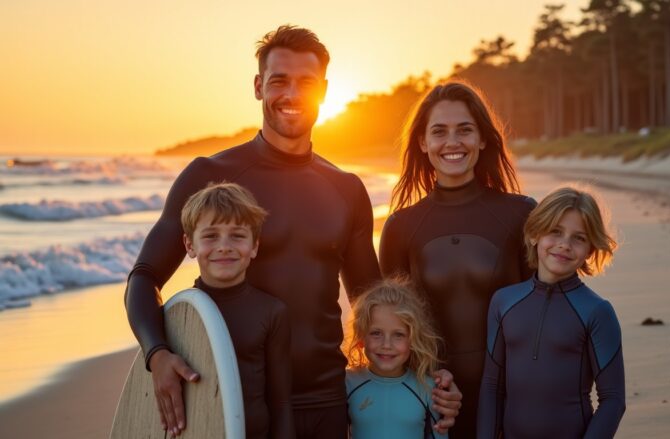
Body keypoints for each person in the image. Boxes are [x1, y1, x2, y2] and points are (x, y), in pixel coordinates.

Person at [124, 25, 458, 438]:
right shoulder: (210, 176)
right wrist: (156, 354)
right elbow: (144, 277)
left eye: (306, 82)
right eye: (279, 80)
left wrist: (430, 375)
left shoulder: (345, 189)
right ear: (258, 86)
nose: (292, 93)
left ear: (324, 91)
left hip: (326, 398)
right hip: (233, 400)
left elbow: (372, 301)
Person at [379, 80, 535, 437]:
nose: (452, 142)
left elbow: (544, 310)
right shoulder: (401, 227)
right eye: (439, 132)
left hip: (514, 395)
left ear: (482, 138)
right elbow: (392, 327)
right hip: (436, 399)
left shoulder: (520, 214)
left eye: (464, 130)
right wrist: (430, 381)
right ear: (423, 143)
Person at [478, 186, 626, 438]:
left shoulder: (597, 311)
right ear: (535, 234)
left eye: (578, 238)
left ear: (590, 248)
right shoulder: (504, 302)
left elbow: (613, 400)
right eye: (555, 232)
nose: (564, 245)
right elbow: (492, 385)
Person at [180, 182, 293, 438]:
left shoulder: (271, 312)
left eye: (237, 236)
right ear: (189, 245)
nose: (224, 246)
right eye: (210, 236)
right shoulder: (179, 314)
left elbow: (280, 402)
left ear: (254, 246)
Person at [345, 278, 447, 439]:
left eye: (398, 335)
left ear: (413, 339)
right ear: (361, 336)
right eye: (376, 333)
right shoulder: (348, 383)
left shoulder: (427, 387)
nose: (386, 344)